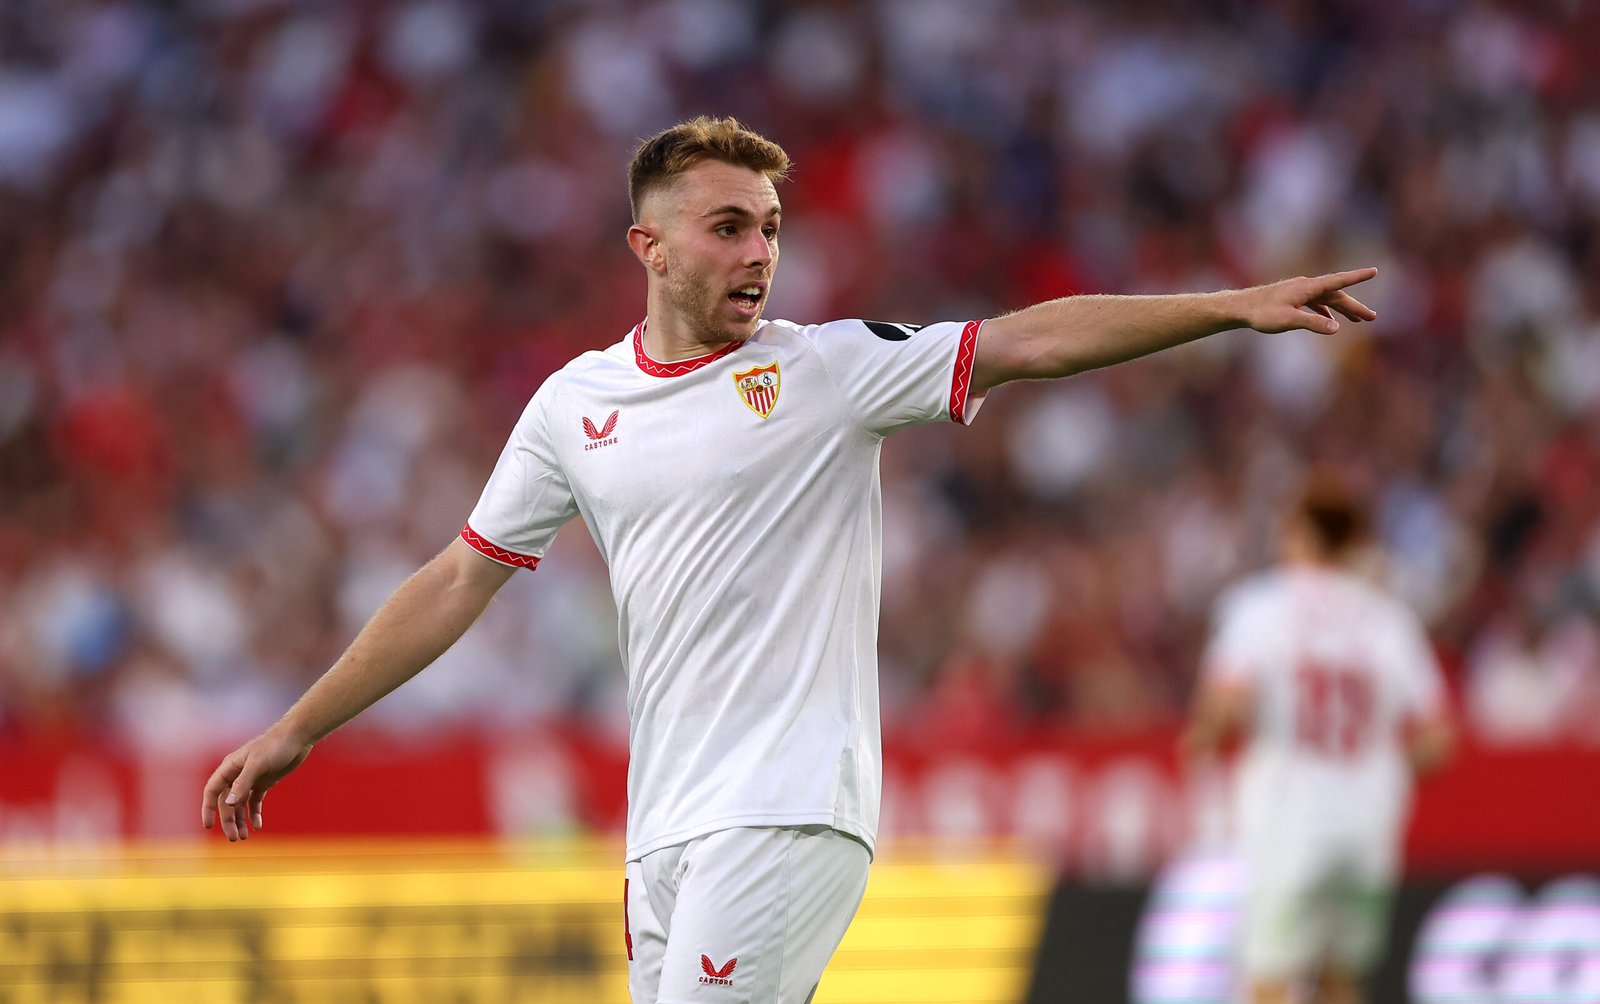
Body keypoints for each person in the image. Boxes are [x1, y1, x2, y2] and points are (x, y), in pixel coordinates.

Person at [202, 115, 1382, 1003]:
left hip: (786, 804)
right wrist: (298, 724)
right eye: (729, 226)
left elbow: (1027, 339)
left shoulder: (824, 368)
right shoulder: (576, 405)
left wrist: (1230, 305)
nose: (760, 250)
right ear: (648, 246)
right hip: (661, 828)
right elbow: (460, 573)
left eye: (770, 226)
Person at [1184, 476, 1454, 1004]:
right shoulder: (1389, 620)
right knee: (1340, 978)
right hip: (1369, 817)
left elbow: (1226, 702)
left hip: (1290, 809)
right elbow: (1438, 739)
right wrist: (1382, 768)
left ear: (1301, 536)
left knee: (1270, 976)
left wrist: (1205, 737)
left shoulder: (1260, 608)